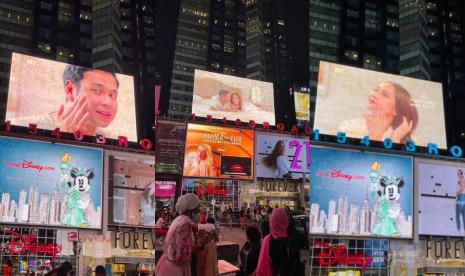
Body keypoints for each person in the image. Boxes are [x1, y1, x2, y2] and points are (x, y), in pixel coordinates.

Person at [10, 65, 120, 137]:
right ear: (70, 89)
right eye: (96, 91)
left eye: (112, 95)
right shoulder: (19, 127)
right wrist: (63, 138)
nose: (108, 102)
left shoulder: (111, 138)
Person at [339, 82, 419, 144]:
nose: (374, 94)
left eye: (385, 94)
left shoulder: (412, 141)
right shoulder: (349, 126)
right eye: (376, 90)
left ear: (396, 109)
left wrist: (395, 140)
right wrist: (375, 136)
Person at [155, 193, 207, 276]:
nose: (199, 210)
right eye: (197, 207)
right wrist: (201, 243)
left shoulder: (178, 219)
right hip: (175, 270)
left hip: (167, 265)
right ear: (191, 208)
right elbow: (182, 257)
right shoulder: (185, 224)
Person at [256, 208, 303, 276]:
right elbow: (295, 265)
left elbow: (263, 264)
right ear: (285, 220)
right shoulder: (291, 241)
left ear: (272, 221)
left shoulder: (267, 239)